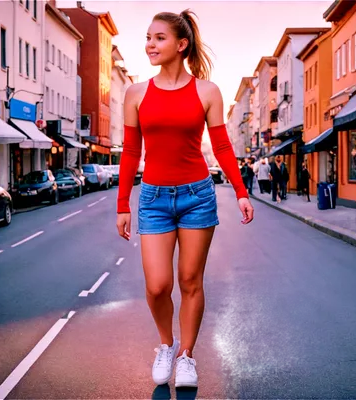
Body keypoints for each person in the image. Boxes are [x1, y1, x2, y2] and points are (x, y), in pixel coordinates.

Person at [115, 9, 254, 389]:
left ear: (181, 44)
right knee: (158, 285)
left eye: (158, 38)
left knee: (190, 279)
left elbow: (222, 145)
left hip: (197, 195)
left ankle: (187, 356)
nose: (149, 45)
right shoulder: (136, 93)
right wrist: (123, 204)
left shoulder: (207, 91)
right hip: (154, 198)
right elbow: (130, 152)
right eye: (147, 37)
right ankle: (165, 343)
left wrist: (241, 192)